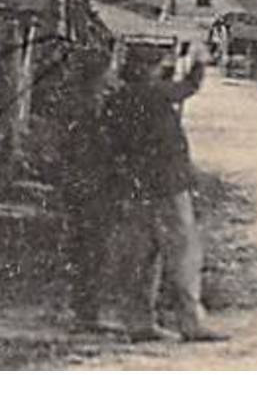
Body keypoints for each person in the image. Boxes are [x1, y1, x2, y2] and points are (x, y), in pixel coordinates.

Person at [101, 38, 229, 343]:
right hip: (167, 186)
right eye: (156, 66)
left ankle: (139, 323)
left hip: (134, 187)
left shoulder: (117, 99)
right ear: (146, 69)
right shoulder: (155, 94)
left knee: (141, 258)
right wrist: (198, 62)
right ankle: (191, 323)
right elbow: (188, 87)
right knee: (183, 254)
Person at [61, 38, 118, 331]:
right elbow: (95, 148)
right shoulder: (92, 107)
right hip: (93, 186)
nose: (113, 75)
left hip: (80, 184)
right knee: (93, 248)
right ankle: (87, 313)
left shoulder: (81, 102)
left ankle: (83, 308)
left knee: (84, 247)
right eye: (109, 71)